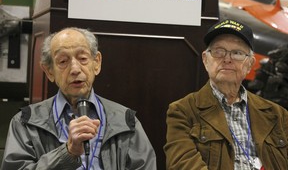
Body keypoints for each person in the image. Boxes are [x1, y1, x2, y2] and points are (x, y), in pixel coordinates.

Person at [1, 27, 157, 170]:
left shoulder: (126, 121)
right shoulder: (25, 122)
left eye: (83, 58)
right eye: (63, 61)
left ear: (96, 63)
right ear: (49, 71)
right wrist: (67, 153)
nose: (75, 69)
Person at [164, 19, 288, 170]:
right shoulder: (183, 111)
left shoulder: (278, 115)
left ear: (250, 64)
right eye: (218, 51)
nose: (227, 59)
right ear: (205, 60)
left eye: (237, 53)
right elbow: (182, 165)